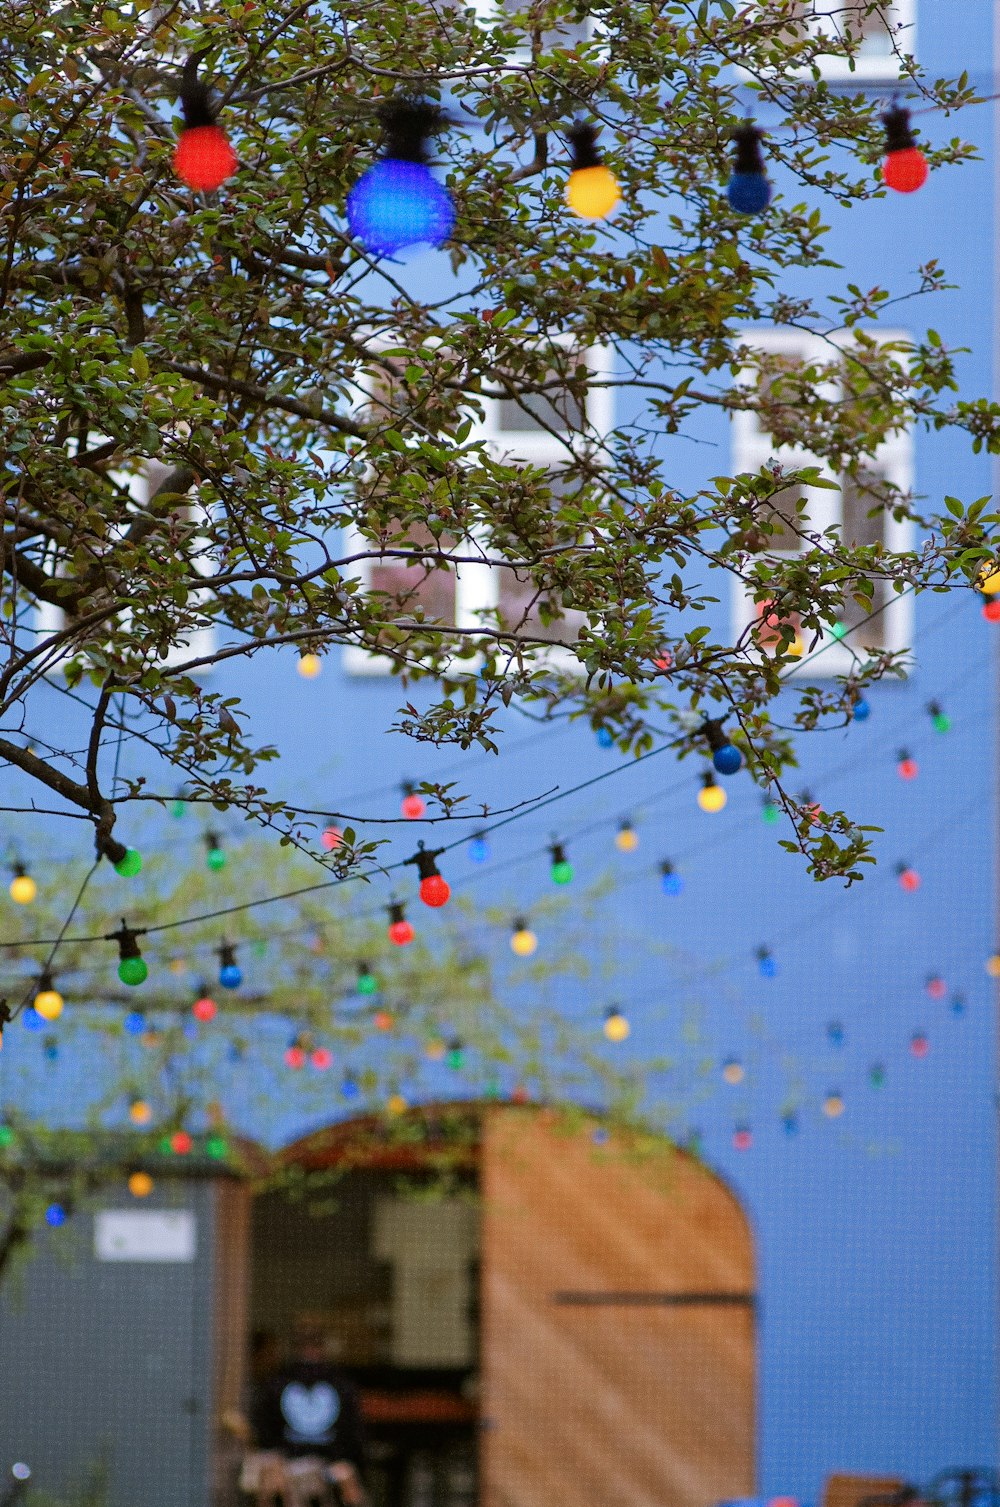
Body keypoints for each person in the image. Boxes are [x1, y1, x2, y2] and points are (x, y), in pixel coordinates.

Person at [246, 1319, 366, 1507]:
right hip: (330, 1465)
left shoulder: (276, 1382)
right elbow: (354, 1435)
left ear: (294, 1347)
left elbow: (263, 1432)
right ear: (323, 1346)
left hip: (287, 1466)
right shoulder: (342, 1383)